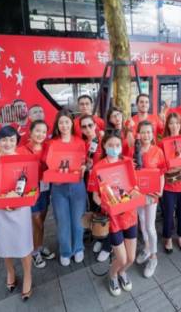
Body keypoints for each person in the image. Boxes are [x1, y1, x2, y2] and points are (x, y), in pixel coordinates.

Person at [0, 126, 34, 301]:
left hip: (20, 209)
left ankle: (28, 275)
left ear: (16, 142)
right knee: (5, 243)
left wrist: (19, 199)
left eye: (12, 140)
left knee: (24, 242)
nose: (8, 143)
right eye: (4, 139)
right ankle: (10, 271)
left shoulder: (24, 160)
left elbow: (31, 187)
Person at [87, 132, 137, 296]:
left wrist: (138, 196)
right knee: (121, 258)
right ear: (104, 146)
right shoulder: (98, 167)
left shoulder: (127, 163)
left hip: (129, 214)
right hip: (113, 218)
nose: (114, 148)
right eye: (111, 145)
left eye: (117, 145)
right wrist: (106, 206)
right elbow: (95, 195)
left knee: (131, 258)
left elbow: (134, 188)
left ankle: (122, 272)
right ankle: (113, 274)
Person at [45, 110, 88, 266]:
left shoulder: (79, 142)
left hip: (77, 186)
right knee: (62, 221)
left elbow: (83, 162)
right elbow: (48, 164)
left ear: (71, 123)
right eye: (61, 122)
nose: (64, 125)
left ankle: (78, 248)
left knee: (77, 220)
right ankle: (65, 250)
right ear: (57, 124)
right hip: (58, 188)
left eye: (67, 122)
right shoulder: (52, 143)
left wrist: (83, 167)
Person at [134, 120, 166, 278]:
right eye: (143, 132)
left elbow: (162, 174)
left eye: (148, 132)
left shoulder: (158, 151)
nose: (146, 135)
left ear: (152, 134)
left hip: (152, 195)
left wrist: (160, 190)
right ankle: (147, 248)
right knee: (142, 222)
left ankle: (154, 257)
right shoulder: (135, 150)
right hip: (138, 194)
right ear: (138, 134)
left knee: (150, 226)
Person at [21, 119, 55, 268]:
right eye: (37, 131)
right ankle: (34, 252)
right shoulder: (22, 149)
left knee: (42, 218)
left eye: (43, 131)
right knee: (36, 220)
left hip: (46, 186)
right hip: (30, 190)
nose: (40, 134)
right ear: (31, 132)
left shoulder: (48, 147)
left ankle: (39, 247)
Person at [160, 113, 181, 253]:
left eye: (177, 123)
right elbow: (160, 165)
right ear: (167, 125)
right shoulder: (162, 142)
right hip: (168, 185)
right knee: (168, 213)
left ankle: (180, 236)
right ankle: (167, 237)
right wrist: (176, 165)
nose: (174, 126)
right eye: (171, 123)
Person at [82, 113, 111, 262]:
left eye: (90, 125)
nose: (87, 129)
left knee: (107, 211)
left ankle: (108, 245)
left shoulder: (104, 139)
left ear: (95, 125)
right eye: (84, 127)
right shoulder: (83, 144)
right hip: (91, 181)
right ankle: (100, 236)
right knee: (96, 210)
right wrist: (87, 166)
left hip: (106, 182)